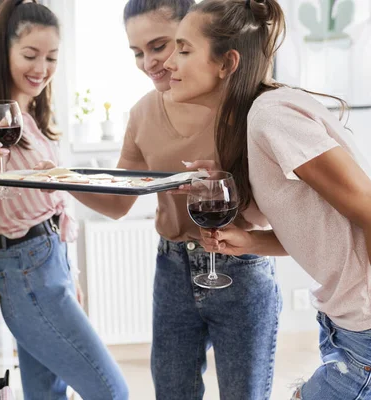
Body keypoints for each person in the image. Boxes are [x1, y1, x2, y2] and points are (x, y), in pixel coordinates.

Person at [40, 1, 281, 398]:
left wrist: (225, 185)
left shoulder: (249, 109)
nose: (149, 63)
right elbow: (119, 203)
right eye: (137, 52)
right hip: (172, 269)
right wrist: (61, 179)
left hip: (242, 268)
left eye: (161, 46)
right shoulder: (142, 113)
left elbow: (279, 206)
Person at [164, 0, 371, 399]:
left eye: (185, 50)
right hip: (343, 325)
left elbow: (367, 206)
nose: (169, 62)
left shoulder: (271, 115)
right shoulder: (253, 119)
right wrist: (252, 241)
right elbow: (323, 229)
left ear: (227, 64)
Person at [0, 1, 128, 399]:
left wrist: (69, 277)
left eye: (51, 57)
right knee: (112, 392)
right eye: (30, 55)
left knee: (46, 394)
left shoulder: (30, 118)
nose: (41, 68)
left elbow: (54, 207)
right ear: (5, 52)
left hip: (48, 265)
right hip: (25, 270)